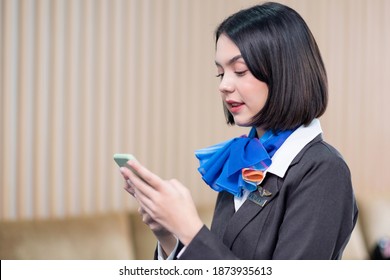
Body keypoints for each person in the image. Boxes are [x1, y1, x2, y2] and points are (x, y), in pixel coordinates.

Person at [119, 2, 358, 260]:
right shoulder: (242, 159)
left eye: (240, 70)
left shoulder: (323, 170)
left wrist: (190, 230)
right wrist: (169, 236)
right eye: (220, 73)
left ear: (284, 72)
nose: (224, 85)